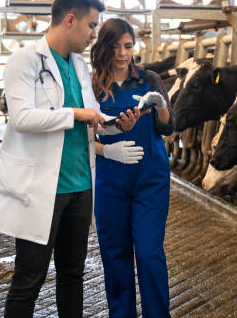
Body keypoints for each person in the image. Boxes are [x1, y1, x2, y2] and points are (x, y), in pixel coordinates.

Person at [0, 0, 145, 318]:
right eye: (92, 26)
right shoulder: (24, 60)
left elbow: (93, 116)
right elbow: (22, 118)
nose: (95, 35)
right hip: (42, 188)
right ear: (70, 20)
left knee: (72, 275)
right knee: (30, 277)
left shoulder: (81, 66)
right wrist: (77, 114)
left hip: (81, 186)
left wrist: (116, 126)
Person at [90, 18, 174, 318]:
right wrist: (107, 150)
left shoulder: (149, 80)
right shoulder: (92, 84)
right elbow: (82, 137)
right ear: (104, 48)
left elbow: (167, 127)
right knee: (116, 255)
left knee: (150, 253)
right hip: (110, 179)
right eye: (114, 47)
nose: (122, 53)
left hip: (150, 178)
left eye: (127, 46)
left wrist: (160, 105)